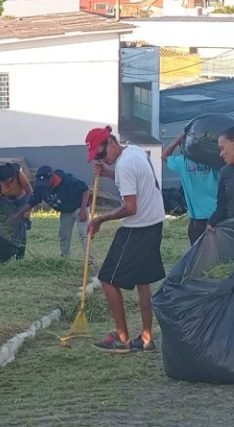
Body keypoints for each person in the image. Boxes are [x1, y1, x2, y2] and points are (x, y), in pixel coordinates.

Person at [86, 126, 165, 353]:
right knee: (143, 282)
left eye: (101, 154)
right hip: (154, 222)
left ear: (111, 141)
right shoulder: (135, 152)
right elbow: (136, 181)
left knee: (108, 279)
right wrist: (109, 173)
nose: (103, 160)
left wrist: (101, 219)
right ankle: (147, 338)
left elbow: (130, 207)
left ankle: (122, 338)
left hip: (138, 228)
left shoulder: (125, 164)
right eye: (97, 158)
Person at [14, 165, 92, 262]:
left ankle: (90, 261)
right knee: (64, 235)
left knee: (84, 233)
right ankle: (65, 259)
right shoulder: (41, 186)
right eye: (42, 182)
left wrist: (83, 210)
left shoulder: (67, 180)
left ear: (52, 177)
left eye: (46, 182)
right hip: (65, 211)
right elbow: (32, 202)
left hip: (79, 207)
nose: (44, 185)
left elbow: (85, 190)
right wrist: (18, 214)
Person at [161, 133, 220, 244]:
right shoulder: (213, 161)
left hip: (197, 216)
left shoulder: (183, 162)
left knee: (197, 252)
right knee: (215, 253)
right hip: (216, 214)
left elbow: (164, 156)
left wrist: (177, 140)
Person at [0, 163, 33, 229]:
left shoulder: (20, 175)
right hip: (5, 200)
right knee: (7, 222)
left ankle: (24, 225)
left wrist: (26, 212)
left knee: (20, 222)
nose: (7, 185)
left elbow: (30, 193)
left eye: (10, 181)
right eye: (4, 183)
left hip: (20, 199)